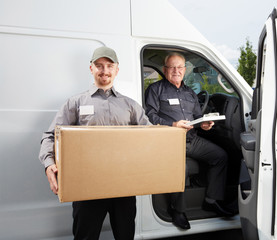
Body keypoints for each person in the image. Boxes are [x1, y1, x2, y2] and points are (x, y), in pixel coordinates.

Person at [39, 46, 151, 240]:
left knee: (125, 235)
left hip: (123, 186)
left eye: (109, 66)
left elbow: (152, 136)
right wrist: (49, 164)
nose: (104, 71)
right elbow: (51, 136)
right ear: (91, 68)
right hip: (86, 187)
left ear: (117, 70)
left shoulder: (130, 105)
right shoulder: (75, 103)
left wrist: (175, 128)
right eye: (99, 65)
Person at [145, 52, 233, 230]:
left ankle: (211, 200)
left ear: (185, 70)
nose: (176, 71)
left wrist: (205, 125)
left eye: (180, 67)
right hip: (169, 143)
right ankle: (177, 210)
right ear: (165, 70)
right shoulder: (155, 90)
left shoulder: (190, 93)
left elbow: (197, 117)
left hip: (192, 140)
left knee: (220, 156)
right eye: (172, 67)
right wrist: (173, 124)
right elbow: (149, 116)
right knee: (181, 168)